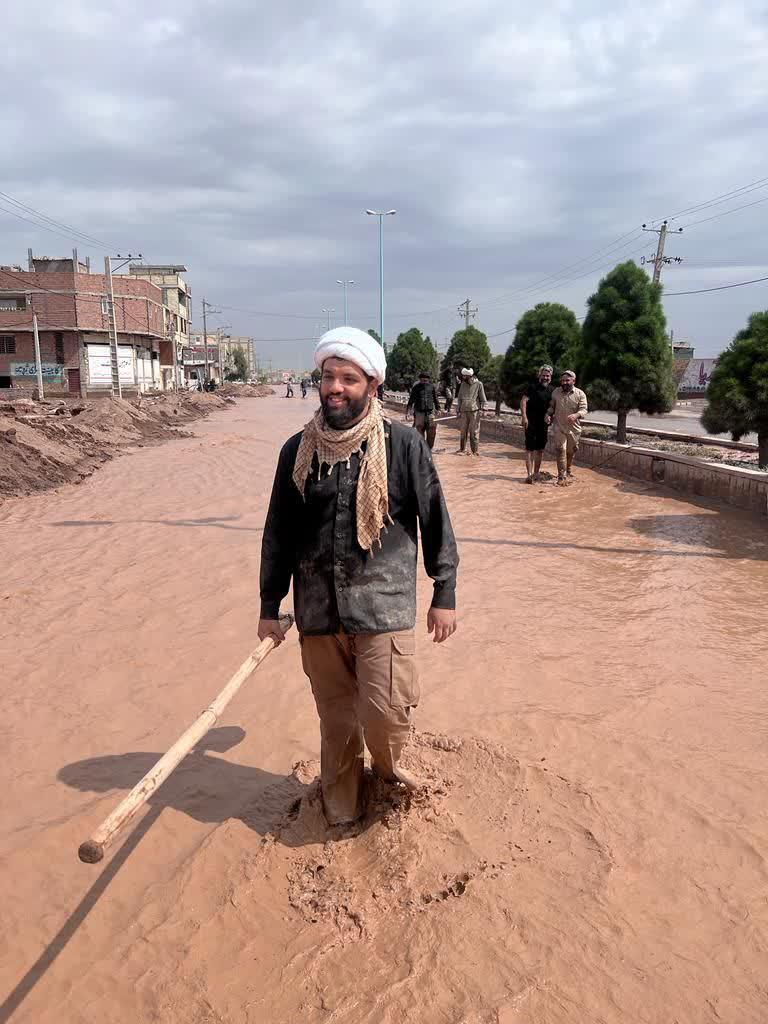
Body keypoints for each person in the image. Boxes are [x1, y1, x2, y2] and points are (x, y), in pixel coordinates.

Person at [259, 326, 459, 827]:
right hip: (318, 614)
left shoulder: (404, 445)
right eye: (329, 376)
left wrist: (445, 592)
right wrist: (268, 606)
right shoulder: (297, 452)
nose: (335, 388)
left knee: (386, 715)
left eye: (348, 378)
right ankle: (342, 807)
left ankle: (391, 780)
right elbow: (278, 533)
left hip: (383, 606)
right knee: (337, 722)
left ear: (373, 386)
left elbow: (435, 519)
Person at [545, 370, 588, 485]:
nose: (564, 383)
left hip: (574, 429)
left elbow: (584, 410)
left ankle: (568, 469)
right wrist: (548, 415)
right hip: (559, 427)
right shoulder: (556, 392)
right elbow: (551, 407)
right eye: (563, 380)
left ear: (573, 381)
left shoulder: (580, 394)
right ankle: (561, 476)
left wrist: (576, 415)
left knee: (570, 451)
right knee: (560, 450)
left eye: (567, 380)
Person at [520, 365, 554, 483]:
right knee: (529, 449)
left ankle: (536, 473)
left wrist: (550, 417)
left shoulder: (552, 390)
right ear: (539, 376)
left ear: (551, 377)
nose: (545, 377)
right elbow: (524, 401)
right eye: (543, 375)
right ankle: (529, 475)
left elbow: (553, 406)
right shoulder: (532, 387)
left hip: (543, 424)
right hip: (530, 422)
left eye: (548, 376)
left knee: (540, 449)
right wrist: (524, 416)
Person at [406, 371, 441, 450]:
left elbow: (435, 399)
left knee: (432, 430)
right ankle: (422, 449)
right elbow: (411, 400)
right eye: (423, 380)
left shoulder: (432, 387)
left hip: (430, 412)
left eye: (426, 380)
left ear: (428, 380)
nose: (424, 382)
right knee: (419, 430)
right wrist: (408, 412)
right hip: (419, 413)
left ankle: (429, 449)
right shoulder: (416, 388)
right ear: (420, 380)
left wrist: (438, 408)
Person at [456, 367, 487, 455]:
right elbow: (459, 398)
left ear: (470, 376)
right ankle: (462, 449)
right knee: (463, 431)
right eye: (463, 376)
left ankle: (475, 451)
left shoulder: (478, 384)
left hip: (475, 412)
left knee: (474, 432)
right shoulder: (463, 384)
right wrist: (458, 410)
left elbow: (483, 398)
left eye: (464, 376)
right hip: (464, 411)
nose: (463, 378)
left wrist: (484, 409)